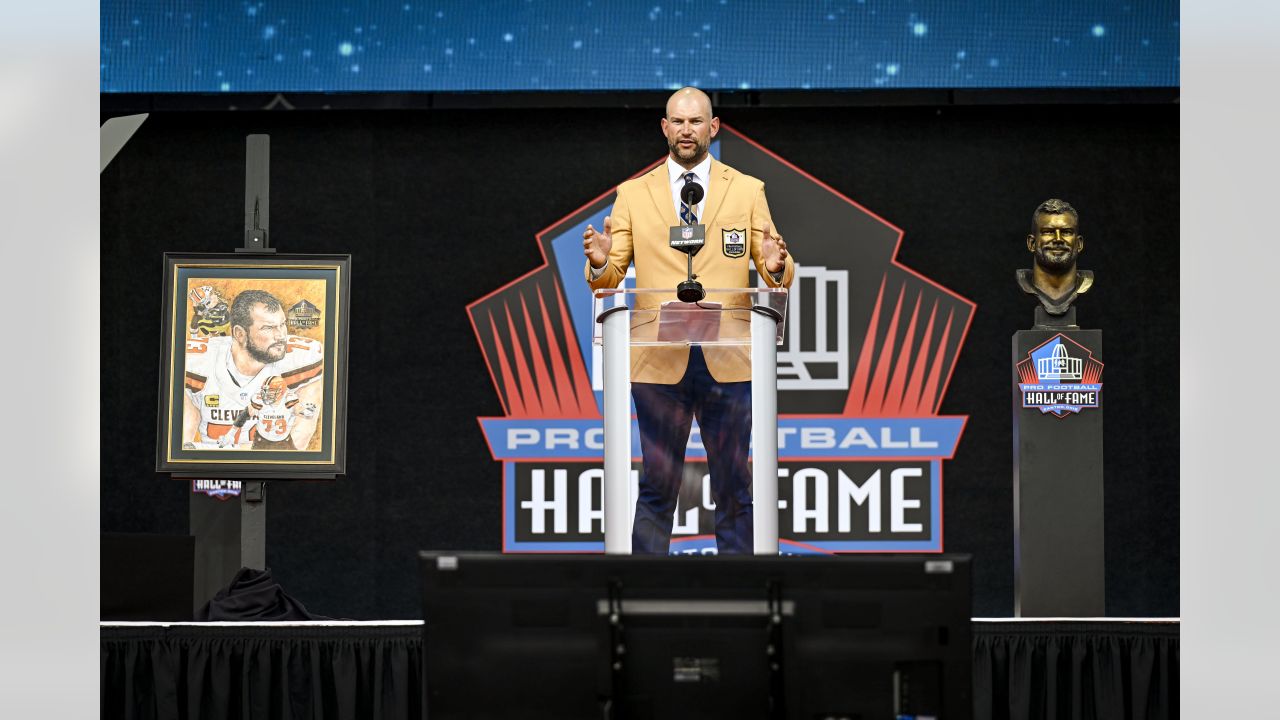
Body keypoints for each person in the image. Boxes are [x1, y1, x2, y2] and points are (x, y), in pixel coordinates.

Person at [583, 87, 795, 554]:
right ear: (664, 128)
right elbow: (610, 275)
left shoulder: (746, 190)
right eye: (677, 122)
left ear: (713, 128)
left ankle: (741, 601)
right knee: (657, 489)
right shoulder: (633, 195)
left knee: (736, 489)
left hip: (731, 360)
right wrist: (601, 262)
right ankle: (643, 602)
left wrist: (777, 266)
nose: (686, 130)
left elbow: (774, 265)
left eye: (696, 122)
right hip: (658, 360)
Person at [182, 289, 324, 450]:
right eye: (268, 328)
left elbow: (293, 447)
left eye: (282, 324)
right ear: (240, 334)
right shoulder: (195, 364)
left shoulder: (302, 361)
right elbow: (181, 442)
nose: (281, 336)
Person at [1018, 198, 1094, 315]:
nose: (1058, 239)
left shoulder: (1085, 283)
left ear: (1079, 244)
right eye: (1048, 231)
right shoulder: (1024, 282)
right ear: (1031, 243)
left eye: (1066, 232)